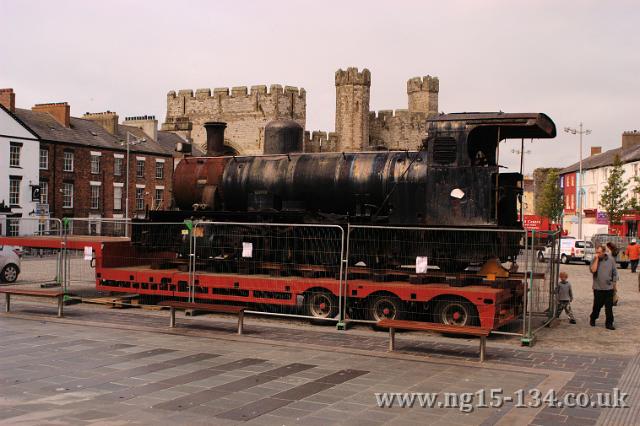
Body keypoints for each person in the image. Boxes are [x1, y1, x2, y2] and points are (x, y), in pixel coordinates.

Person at [590, 244, 618, 330]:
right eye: (597, 252)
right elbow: (593, 270)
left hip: (609, 288)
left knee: (609, 307)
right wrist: (597, 259)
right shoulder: (594, 259)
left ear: (604, 252)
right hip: (598, 288)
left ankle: (609, 323)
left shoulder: (611, 260)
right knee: (597, 306)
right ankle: (593, 317)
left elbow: (615, 273)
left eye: (599, 252)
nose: (598, 254)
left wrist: (614, 285)